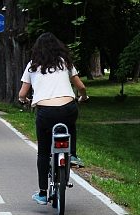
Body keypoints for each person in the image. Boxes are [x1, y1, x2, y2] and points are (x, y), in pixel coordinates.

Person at [18, 32, 88, 205]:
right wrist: (83, 97)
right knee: (70, 125)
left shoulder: (32, 66)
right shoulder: (65, 63)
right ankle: (72, 155)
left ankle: (42, 192)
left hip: (45, 112)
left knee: (43, 152)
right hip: (68, 107)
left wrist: (24, 101)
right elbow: (81, 86)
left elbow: (22, 93)